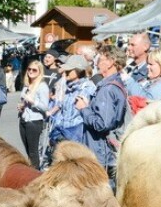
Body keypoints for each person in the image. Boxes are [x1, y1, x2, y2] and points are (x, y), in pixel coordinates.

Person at [75, 45, 127, 191]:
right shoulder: (115, 85)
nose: (97, 62)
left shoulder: (108, 89)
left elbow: (102, 124)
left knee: (100, 193)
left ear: (111, 62)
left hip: (101, 153)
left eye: (101, 58)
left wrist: (83, 109)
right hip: (105, 151)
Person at [48, 55, 95, 156]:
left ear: (78, 70)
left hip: (76, 135)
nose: (66, 72)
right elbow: (62, 109)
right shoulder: (68, 86)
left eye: (69, 70)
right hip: (62, 134)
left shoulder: (88, 88)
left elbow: (86, 114)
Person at [17, 60, 54, 169]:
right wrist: (21, 106)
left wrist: (33, 102)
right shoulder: (27, 85)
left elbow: (45, 107)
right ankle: (32, 172)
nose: (31, 72)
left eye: (34, 70)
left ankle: (35, 174)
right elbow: (24, 101)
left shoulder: (42, 86)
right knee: (28, 150)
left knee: (34, 151)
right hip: (23, 119)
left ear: (39, 72)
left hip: (34, 121)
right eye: (29, 69)